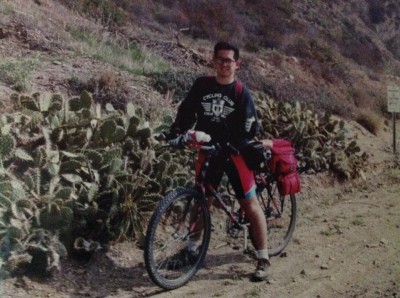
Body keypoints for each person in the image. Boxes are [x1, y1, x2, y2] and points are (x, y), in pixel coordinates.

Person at [167, 41, 270, 281]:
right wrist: (177, 133)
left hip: (235, 155)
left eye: (229, 60)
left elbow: (250, 126)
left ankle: (263, 258)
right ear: (213, 61)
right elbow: (187, 112)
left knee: (249, 204)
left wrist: (237, 144)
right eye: (220, 59)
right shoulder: (202, 85)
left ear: (237, 64)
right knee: (201, 200)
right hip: (209, 151)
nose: (225, 64)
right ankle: (191, 250)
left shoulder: (241, 93)